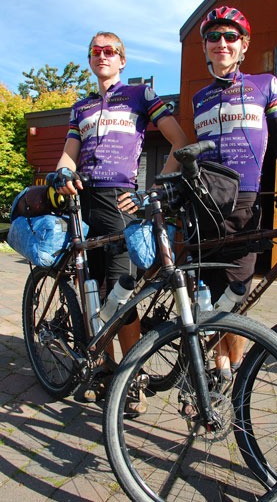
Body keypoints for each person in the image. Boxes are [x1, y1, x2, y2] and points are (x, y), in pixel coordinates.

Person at [54, 31, 188, 406]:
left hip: (121, 200)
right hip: (84, 199)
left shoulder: (139, 96)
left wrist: (158, 187)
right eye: (96, 51)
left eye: (110, 51)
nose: (102, 56)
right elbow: (68, 155)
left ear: (122, 60)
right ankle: (107, 368)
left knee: (121, 290)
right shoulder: (80, 107)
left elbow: (178, 140)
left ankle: (132, 377)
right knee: (94, 288)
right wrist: (63, 172)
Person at [192, 6, 277, 386]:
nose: (221, 43)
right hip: (205, 204)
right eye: (213, 37)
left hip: (246, 203)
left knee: (237, 295)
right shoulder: (199, 97)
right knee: (207, 292)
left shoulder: (265, 84)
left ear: (244, 46)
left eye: (230, 36)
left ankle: (232, 369)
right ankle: (215, 370)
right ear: (205, 48)